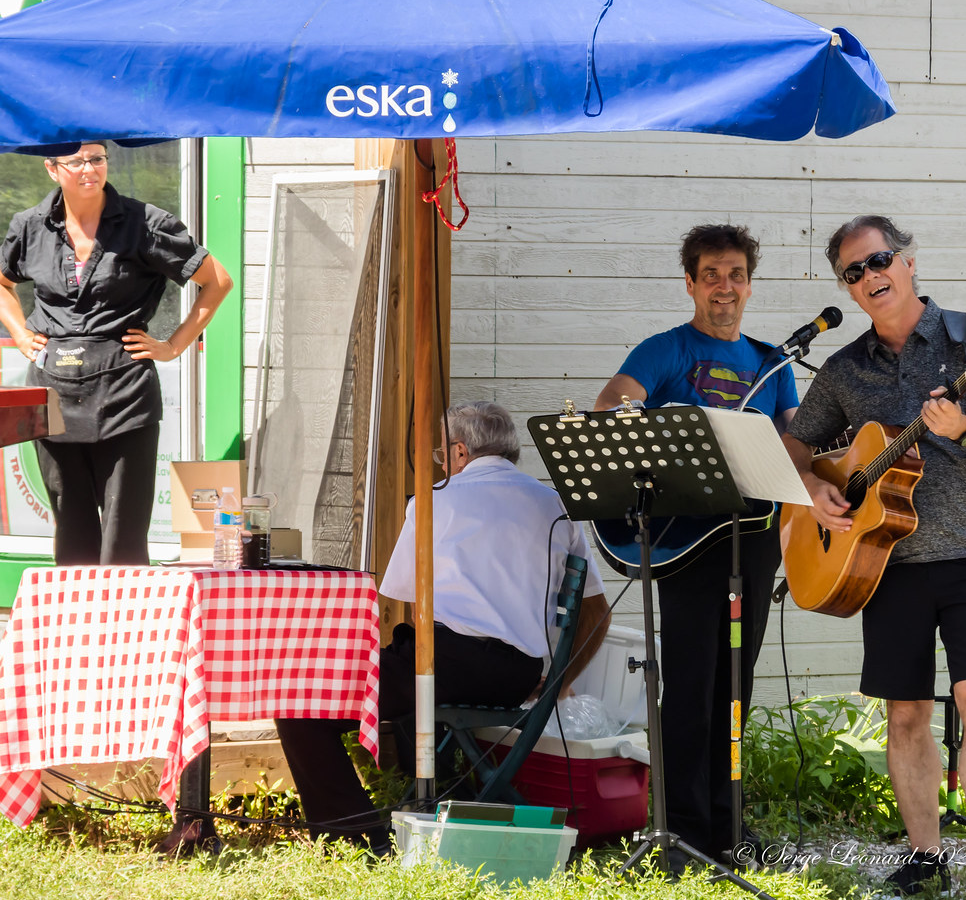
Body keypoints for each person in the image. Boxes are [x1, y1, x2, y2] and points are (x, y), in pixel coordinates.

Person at [782, 215, 966, 900]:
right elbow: (796, 451)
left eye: (878, 260)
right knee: (906, 712)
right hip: (883, 564)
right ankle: (922, 858)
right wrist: (814, 491)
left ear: (908, 261)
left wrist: (964, 424)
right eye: (853, 272)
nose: (869, 276)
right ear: (848, 290)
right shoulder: (843, 368)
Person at [275, 400, 611, 849]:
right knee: (408, 678)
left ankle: (354, 839)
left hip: (448, 665)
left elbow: (399, 594)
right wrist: (558, 681)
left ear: (458, 451)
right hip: (521, 674)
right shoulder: (554, 504)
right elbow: (597, 611)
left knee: (302, 705)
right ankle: (441, 800)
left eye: (440, 454)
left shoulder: (434, 501)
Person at [594, 224, 798, 863]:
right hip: (686, 539)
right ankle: (680, 828)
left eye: (735, 274)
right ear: (690, 282)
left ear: (748, 284)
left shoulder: (774, 363)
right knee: (688, 685)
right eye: (711, 274)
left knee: (736, 683)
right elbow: (612, 405)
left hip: (753, 540)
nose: (725, 287)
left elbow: (796, 446)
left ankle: (728, 827)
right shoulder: (666, 349)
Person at [0, 142, 233, 566]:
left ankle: (126, 628)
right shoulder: (30, 225)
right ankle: (76, 628)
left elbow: (217, 281)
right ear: (53, 169)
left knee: (124, 531)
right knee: (70, 522)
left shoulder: (145, 223)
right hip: (53, 393)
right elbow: (2, 282)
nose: (89, 169)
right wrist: (19, 331)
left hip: (125, 390)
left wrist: (173, 345)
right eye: (77, 161)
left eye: (97, 159)